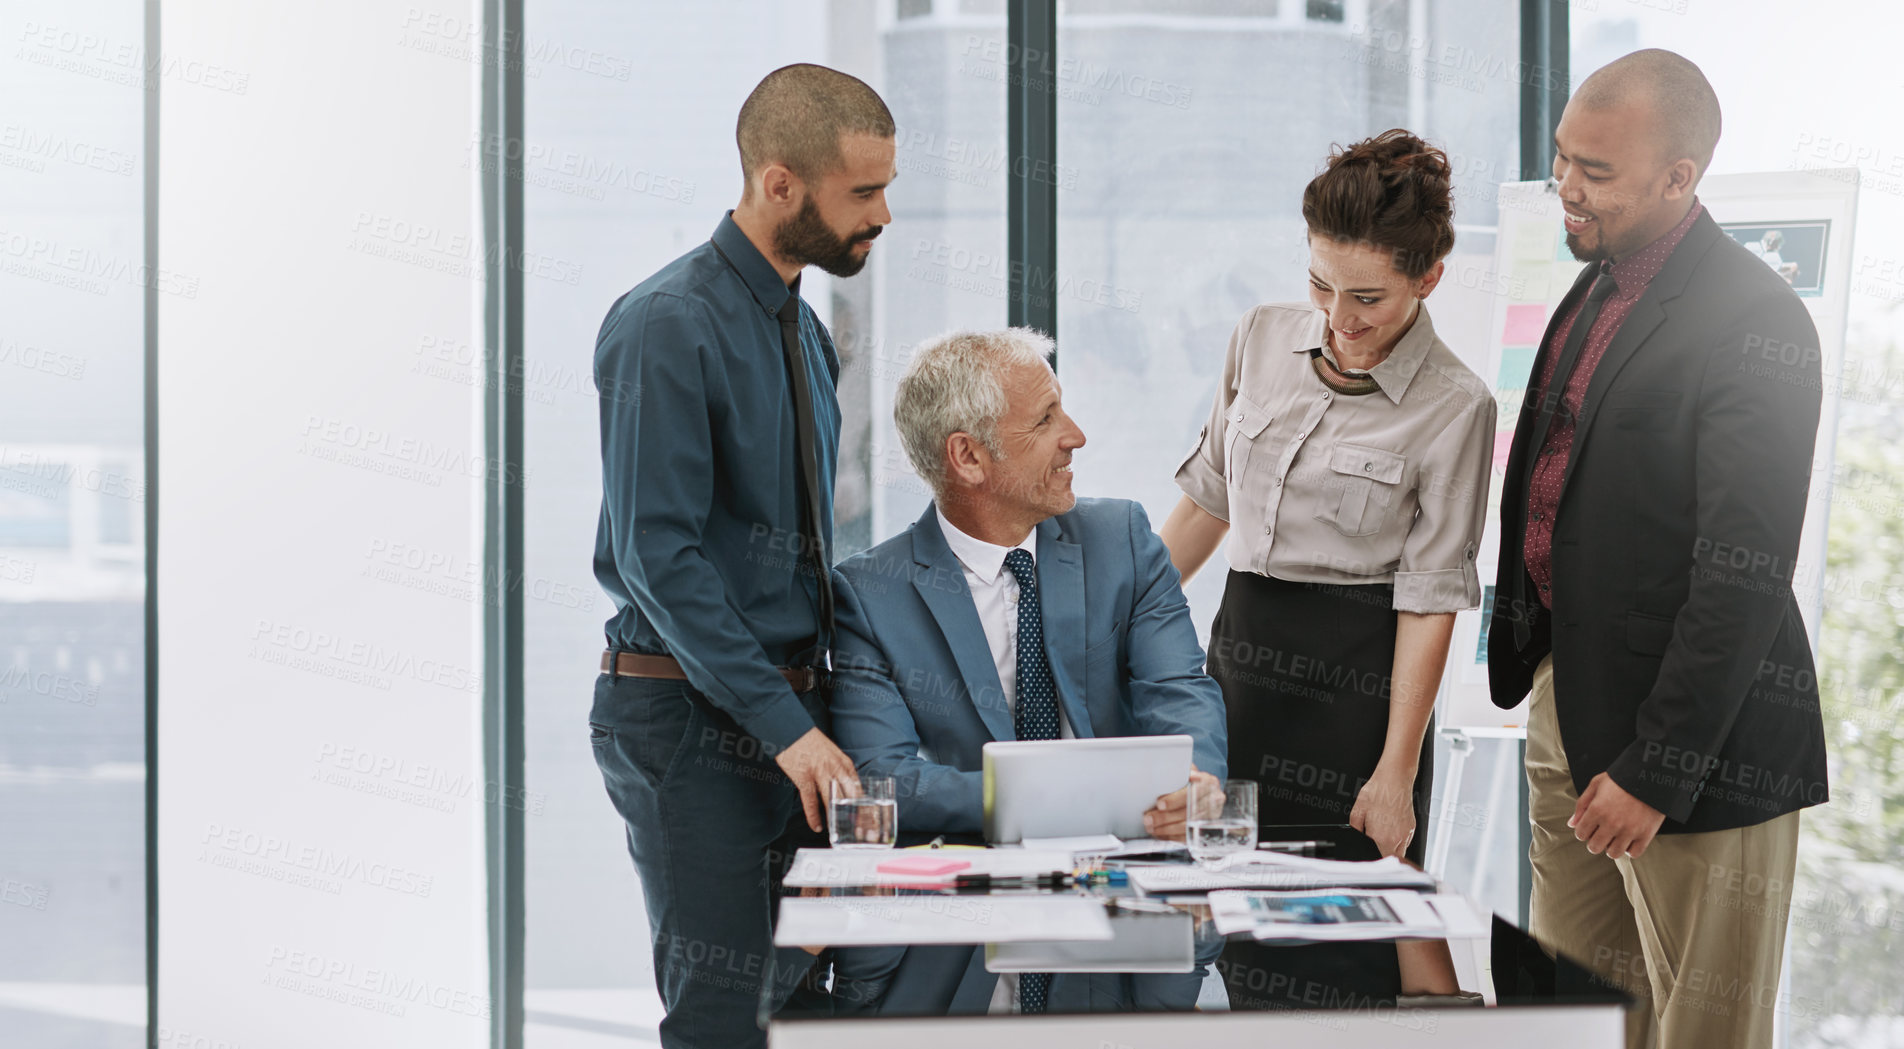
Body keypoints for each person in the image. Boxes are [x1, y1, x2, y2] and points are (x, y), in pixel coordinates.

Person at [1487, 50, 1828, 1049]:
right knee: (1578, 1014)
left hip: (1696, 744)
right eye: (1560, 160)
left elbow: (1743, 569)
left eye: (1594, 169)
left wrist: (1655, 768)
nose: (1567, 187)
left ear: (1678, 176)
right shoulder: (1592, 287)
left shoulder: (1755, 318)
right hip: (1567, 704)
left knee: (1701, 1030)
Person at [586, 64, 895, 1049]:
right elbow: (657, 556)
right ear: (778, 184)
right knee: (722, 1019)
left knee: (807, 1011)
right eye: (862, 192)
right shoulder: (666, 323)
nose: (881, 214)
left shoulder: (804, 330)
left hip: (794, 720)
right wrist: (783, 723)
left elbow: (806, 553)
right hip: (687, 720)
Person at [1160, 130, 1493, 1009]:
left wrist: (1394, 771)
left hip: (1355, 704)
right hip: (1237, 680)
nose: (1340, 318)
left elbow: (1429, 600)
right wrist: (1119, 623)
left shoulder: (1457, 405)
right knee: (1243, 951)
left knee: (1342, 967)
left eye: (1369, 297)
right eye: (1321, 285)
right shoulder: (1261, 338)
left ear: (1428, 278)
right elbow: (1208, 501)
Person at [827, 327, 1228, 1015]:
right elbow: (881, 779)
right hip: (965, 940)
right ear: (969, 457)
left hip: (1122, 923)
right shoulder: (872, 591)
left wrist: (1196, 783)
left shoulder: (1125, 543)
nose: (1075, 434)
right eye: (1045, 419)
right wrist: (1064, 796)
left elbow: (1182, 691)